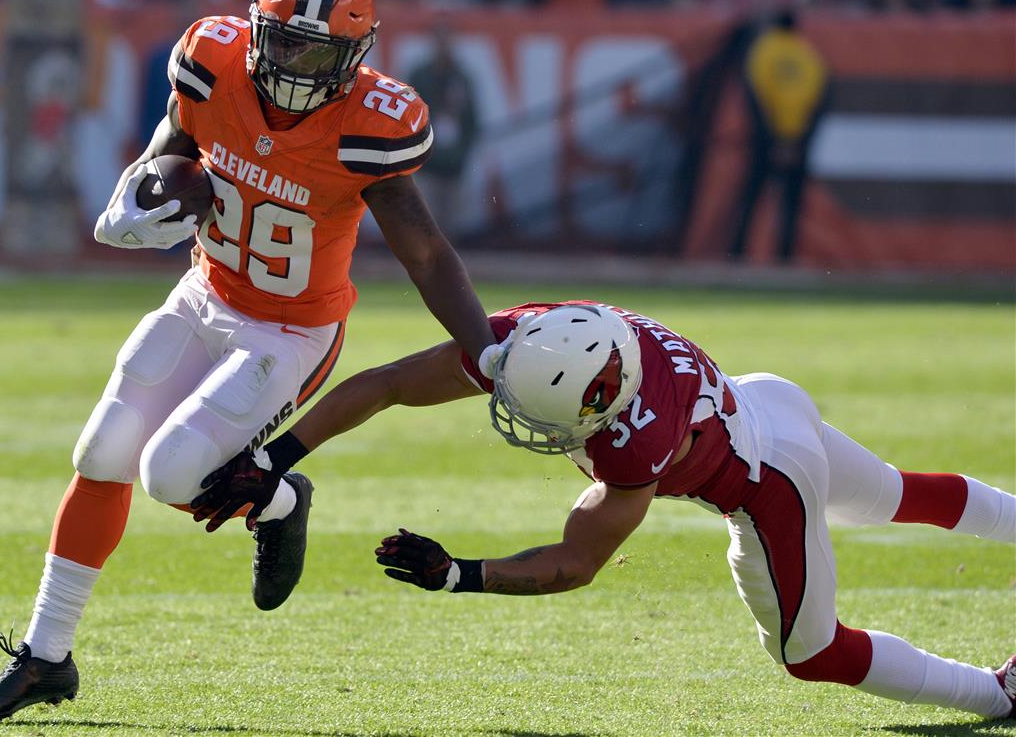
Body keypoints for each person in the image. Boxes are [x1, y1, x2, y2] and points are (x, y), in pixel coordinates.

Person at [0, 0, 499, 723]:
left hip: (290, 327)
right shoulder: (212, 62)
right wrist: (138, 191)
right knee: (102, 451)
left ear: (356, 54)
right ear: (255, 25)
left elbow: (425, 252)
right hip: (203, 290)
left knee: (170, 474)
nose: (299, 64)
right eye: (285, 40)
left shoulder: (369, 125)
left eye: (320, 51)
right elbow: (174, 142)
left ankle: (279, 501)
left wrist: (485, 349)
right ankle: (47, 657)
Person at [194, 301, 1016, 720]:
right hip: (768, 402)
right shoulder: (554, 341)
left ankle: (999, 696)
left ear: (599, 409)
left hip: (769, 474)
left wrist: (461, 578)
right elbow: (385, 386)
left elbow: (576, 562)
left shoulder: (630, 440)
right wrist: (274, 459)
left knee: (810, 652)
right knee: (898, 494)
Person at [728, 11, 828, 263]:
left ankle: (738, 253)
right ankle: (784, 257)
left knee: (751, 198)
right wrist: (797, 141)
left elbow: (756, 97)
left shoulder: (763, 52)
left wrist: (772, 140)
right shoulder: (808, 55)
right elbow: (821, 99)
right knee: (791, 203)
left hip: (766, 139)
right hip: (798, 139)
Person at [407, 24, 478, 237]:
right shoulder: (421, 74)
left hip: (454, 164)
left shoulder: (462, 77)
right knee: (424, 221)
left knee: (450, 225)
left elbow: (471, 120)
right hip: (427, 161)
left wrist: (461, 154)